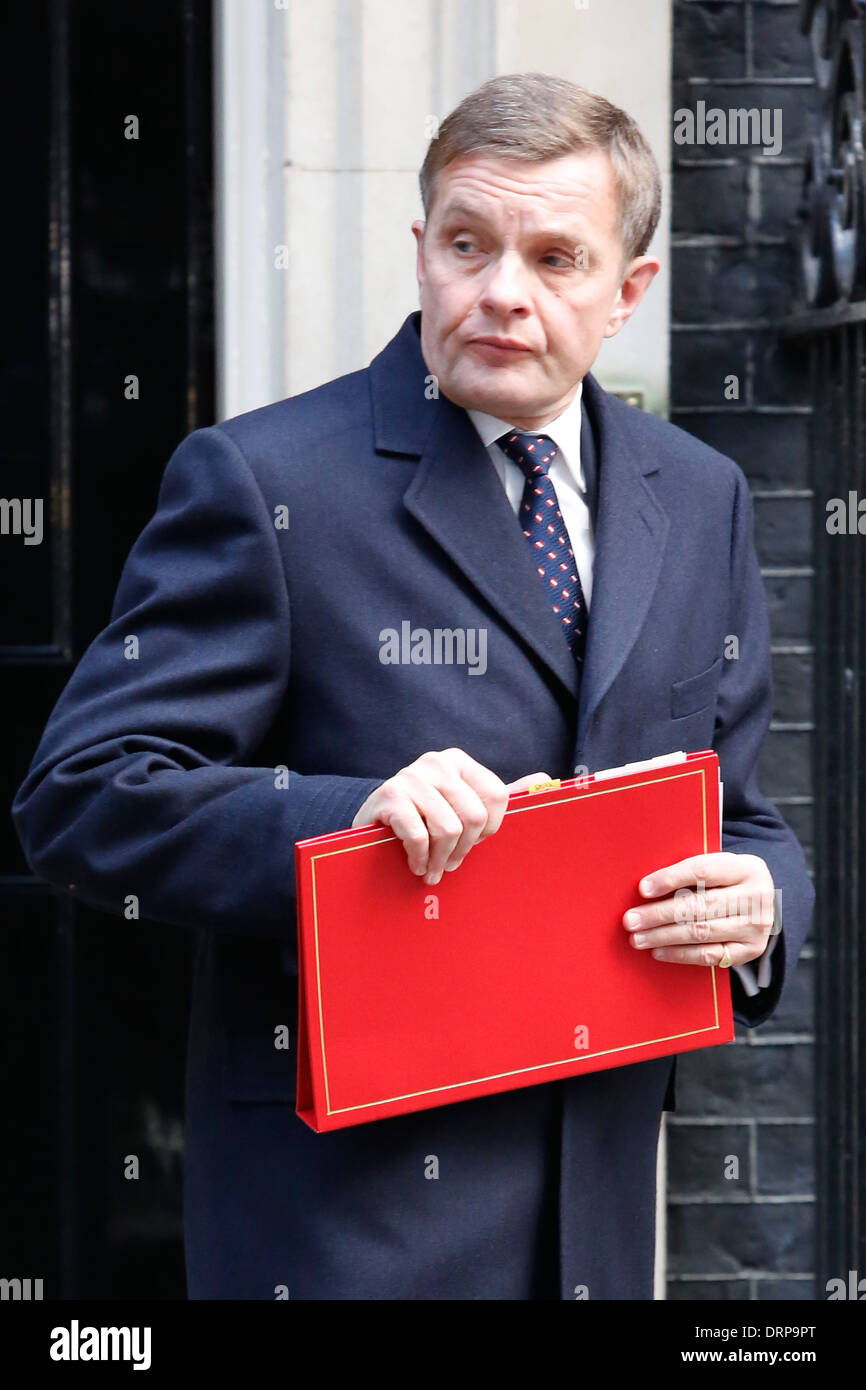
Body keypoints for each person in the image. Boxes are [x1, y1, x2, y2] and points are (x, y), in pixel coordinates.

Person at [12, 72, 813, 1300]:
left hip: (596, 1227)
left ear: (625, 292)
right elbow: (78, 798)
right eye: (466, 244)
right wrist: (347, 814)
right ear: (421, 248)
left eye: (555, 257)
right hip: (344, 1234)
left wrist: (761, 905)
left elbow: (743, 813)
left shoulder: (695, 495)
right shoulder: (261, 481)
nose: (501, 291)